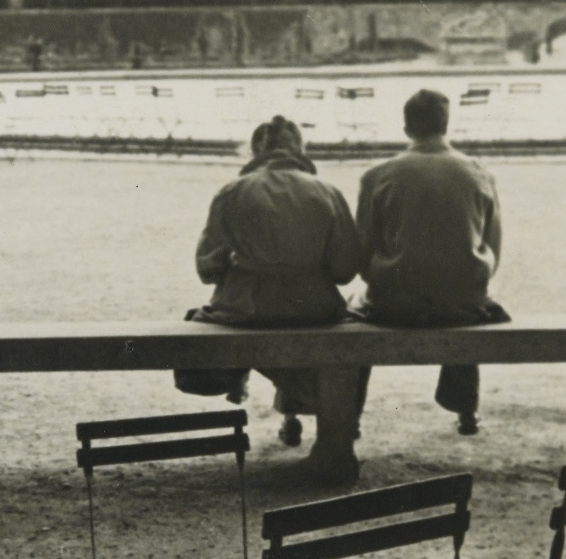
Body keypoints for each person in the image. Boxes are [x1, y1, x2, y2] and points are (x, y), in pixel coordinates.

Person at [180, 115, 364, 484]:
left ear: (256, 150)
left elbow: (206, 267)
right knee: (351, 322)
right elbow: (345, 270)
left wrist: (242, 260)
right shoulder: (326, 191)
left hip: (247, 309)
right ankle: (326, 431)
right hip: (313, 309)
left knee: (208, 317)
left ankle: (242, 385)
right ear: (300, 150)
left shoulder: (233, 192)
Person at [352, 89, 507, 436]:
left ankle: (351, 417)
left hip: (396, 303)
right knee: (466, 282)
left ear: (407, 128)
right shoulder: (479, 173)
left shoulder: (377, 176)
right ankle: (466, 409)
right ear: (446, 125)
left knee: (354, 311)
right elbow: (492, 250)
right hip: (462, 305)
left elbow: (362, 253)